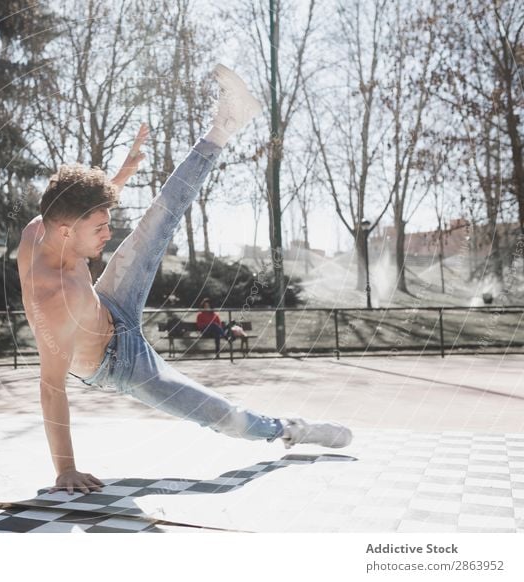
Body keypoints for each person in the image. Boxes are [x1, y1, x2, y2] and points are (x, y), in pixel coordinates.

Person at [17, 64, 352, 496]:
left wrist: (119, 175)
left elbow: (79, 207)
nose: (109, 233)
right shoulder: (54, 300)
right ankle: (289, 429)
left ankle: (224, 125)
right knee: (219, 415)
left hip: (109, 303)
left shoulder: (49, 224)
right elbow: (50, 387)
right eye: (99, 228)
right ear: (66, 232)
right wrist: (66, 468)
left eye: (108, 222)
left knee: (161, 214)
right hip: (120, 364)